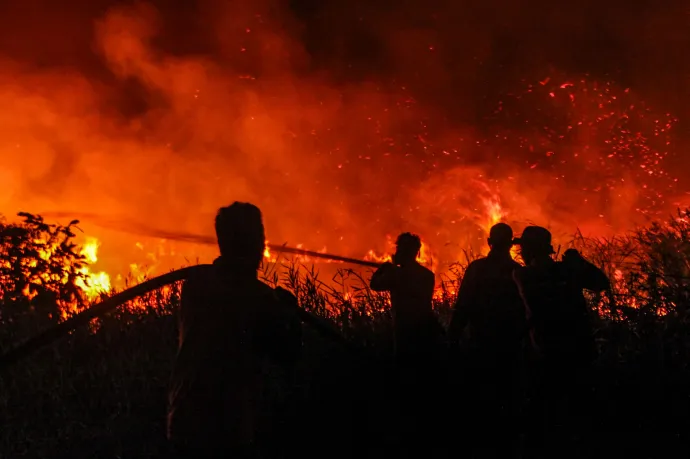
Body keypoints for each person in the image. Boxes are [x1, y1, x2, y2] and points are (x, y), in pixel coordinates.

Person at [167, 202, 303, 459]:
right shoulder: (259, 299)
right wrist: (289, 315)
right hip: (227, 428)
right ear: (256, 243)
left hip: (183, 420)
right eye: (261, 235)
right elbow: (289, 354)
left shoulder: (195, 284)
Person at [512, 226, 610, 457]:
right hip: (577, 349)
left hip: (545, 351)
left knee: (545, 413)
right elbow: (601, 283)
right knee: (578, 411)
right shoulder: (567, 271)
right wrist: (579, 263)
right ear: (549, 249)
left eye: (524, 248)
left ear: (528, 251)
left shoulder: (523, 275)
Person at [447, 223, 526, 458]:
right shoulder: (517, 271)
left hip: (480, 344)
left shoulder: (477, 269)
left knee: (480, 402)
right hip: (509, 347)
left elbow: (463, 306)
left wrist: (452, 337)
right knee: (507, 402)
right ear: (511, 245)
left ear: (489, 243)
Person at [369, 232, 444, 454]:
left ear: (405, 251)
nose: (396, 252)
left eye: (399, 249)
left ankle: (406, 435)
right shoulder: (427, 275)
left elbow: (375, 285)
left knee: (404, 379)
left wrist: (383, 269)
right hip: (425, 331)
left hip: (405, 334)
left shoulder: (397, 276)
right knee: (423, 380)